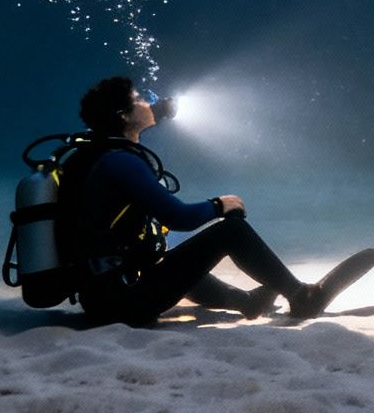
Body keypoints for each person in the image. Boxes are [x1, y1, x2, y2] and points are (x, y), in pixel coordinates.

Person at [61, 76, 330, 326]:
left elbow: (147, 113)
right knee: (231, 231)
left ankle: (246, 302)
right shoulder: (121, 161)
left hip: (100, 298)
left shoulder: (96, 155)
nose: (147, 101)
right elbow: (179, 218)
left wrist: (163, 110)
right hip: (124, 304)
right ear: (124, 116)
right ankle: (301, 296)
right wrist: (220, 205)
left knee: (166, 257)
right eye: (139, 98)